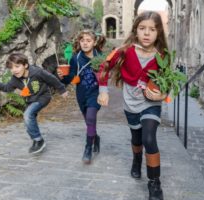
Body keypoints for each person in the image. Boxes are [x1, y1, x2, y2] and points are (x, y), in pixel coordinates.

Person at [97, 11, 168, 200]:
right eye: (142, 28)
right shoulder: (124, 50)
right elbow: (105, 67)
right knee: (137, 140)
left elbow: (167, 82)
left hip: (151, 105)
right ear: (135, 30)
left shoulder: (162, 55)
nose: (147, 33)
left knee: (149, 138)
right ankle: (137, 161)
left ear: (158, 32)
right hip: (131, 105)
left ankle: (155, 184)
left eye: (152, 29)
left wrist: (162, 94)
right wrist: (103, 90)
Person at [0, 53, 68, 154]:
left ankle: (38, 140)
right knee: (29, 119)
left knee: (27, 114)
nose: (14, 70)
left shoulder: (37, 72)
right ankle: (35, 138)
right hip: (29, 100)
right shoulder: (15, 79)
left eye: (17, 66)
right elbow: (6, 88)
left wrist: (62, 89)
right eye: (11, 68)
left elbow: (51, 79)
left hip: (43, 97)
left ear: (25, 65)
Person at [57, 30, 106, 164]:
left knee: (91, 117)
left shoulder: (100, 57)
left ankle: (88, 148)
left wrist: (104, 91)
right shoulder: (75, 58)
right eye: (82, 40)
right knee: (88, 122)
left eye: (88, 40)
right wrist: (63, 77)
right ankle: (95, 137)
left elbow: (105, 75)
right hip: (81, 94)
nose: (85, 43)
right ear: (79, 42)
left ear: (94, 42)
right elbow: (70, 79)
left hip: (95, 94)